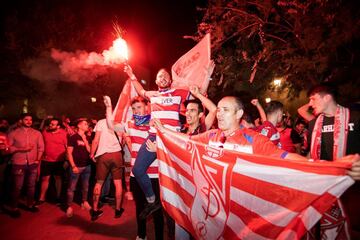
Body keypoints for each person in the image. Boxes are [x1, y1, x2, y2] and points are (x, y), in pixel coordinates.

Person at [123, 65, 193, 219]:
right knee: (138, 169)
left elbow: (197, 93)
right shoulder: (152, 95)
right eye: (160, 76)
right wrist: (131, 74)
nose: (163, 78)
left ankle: (183, 208)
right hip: (154, 136)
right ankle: (152, 200)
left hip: (171, 139)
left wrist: (206, 77)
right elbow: (140, 90)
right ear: (156, 80)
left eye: (165, 75)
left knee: (177, 176)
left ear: (170, 80)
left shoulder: (178, 93)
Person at [105, 95, 164, 240]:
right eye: (134, 108)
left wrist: (158, 148)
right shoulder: (130, 124)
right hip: (136, 176)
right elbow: (111, 125)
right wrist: (108, 107)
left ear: (146, 107)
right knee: (140, 207)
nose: (136, 111)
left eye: (139, 107)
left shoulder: (156, 123)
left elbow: (169, 145)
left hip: (155, 175)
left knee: (157, 211)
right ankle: (141, 235)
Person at [307, 83, 360, 239]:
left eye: (313, 99)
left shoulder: (356, 118)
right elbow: (311, 156)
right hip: (325, 191)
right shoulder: (313, 124)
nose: (310, 104)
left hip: (354, 190)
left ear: (327, 97)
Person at [6, 113, 44, 217]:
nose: (29, 121)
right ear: (21, 120)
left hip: (33, 163)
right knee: (17, 187)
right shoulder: (13, 133)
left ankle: (30, 205)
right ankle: (14, 208)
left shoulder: (37, 133)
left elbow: (41, 148)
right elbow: (7, 149)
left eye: (30, 120)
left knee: (31, 186)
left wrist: (37, 159)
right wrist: (20, 149)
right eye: (26, 119)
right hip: (18, 163)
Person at [89, 115, 125, 221]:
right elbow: (122, 140)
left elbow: (96, 140)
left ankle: (95, 210)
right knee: (118, 183)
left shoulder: (100, 122)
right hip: (116, 155)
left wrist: (92, 154)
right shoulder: (119, 123)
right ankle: (118, 210)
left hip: (103, 154)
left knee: (99, 183)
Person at [65, 118, 92, 217]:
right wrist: (73, 166)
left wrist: (85, 139)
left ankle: (84, 202)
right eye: (85, 124)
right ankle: (69, 206)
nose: (87, 125)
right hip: (76, 166)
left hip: (87, 166)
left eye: (87, 124)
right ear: (79, 126)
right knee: (72, 188)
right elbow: (69, 153)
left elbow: (90, 151)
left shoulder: (87, 137)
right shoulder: (73, 137)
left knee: (85, 187)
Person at [38, 118, 67, 205]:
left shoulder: (63, 133)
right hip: (47, 160)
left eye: (53, 124)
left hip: (59, 160)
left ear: (58, 126)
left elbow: (67, 147)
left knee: (58, 178)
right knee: (45, 178)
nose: (50, 125)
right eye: (50, 124)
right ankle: (41, 198)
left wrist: (66, 160)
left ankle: (58, 198)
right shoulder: (45, 132)